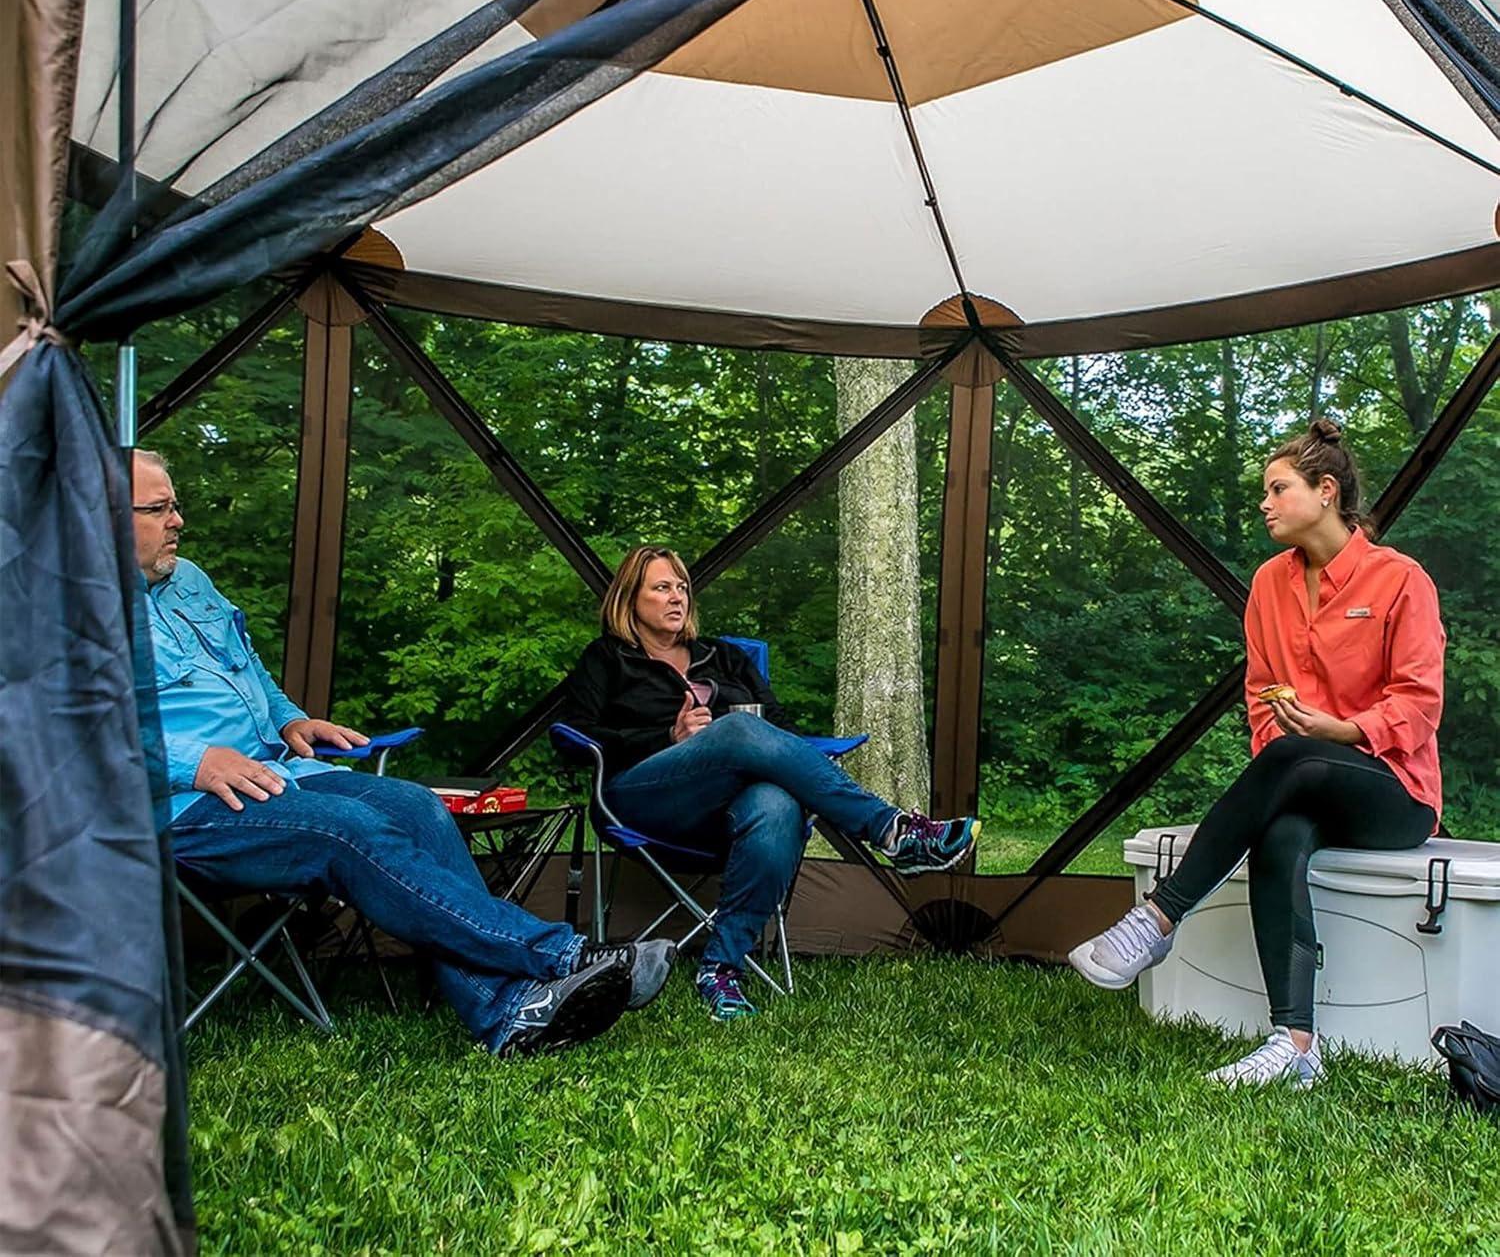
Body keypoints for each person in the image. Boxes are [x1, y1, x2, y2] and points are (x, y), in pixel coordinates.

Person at [133, 450, 673, 1056]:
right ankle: (560, 954)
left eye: (174, 504)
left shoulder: (189, 579)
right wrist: (195, 761)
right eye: (158, 509)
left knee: (419, 807)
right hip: (174, 807)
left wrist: (289, 720)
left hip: (274, 772)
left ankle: (509, 1012)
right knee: (348, 829)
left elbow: (249, 668)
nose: (178, 520)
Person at [1068, 419, 1443, 1086]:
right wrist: (1295, 748)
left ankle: (1159, 915)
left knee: (1295, 755)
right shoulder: (1269, 584)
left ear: (1325, 491)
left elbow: (1418, 706)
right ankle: (1296, 1045)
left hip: (1394, 792)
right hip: (1301, 780)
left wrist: (1336, 731)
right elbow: (1262, 702)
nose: (1264, 504)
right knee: (1281, 833)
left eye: (1278, 489)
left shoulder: (1400, 580)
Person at [562, 544, 981, 1021]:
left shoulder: (725, 658)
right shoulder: (608, 659)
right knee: (737, 727)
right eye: (662, 587)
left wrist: (749, 744)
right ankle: (891, 830)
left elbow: (779, 727)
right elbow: (572, 736)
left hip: (724, 811)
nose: (678, 597)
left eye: (682, 587)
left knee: (776, 803)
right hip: (642, 800)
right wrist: (668, 735)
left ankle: (721, 970)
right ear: (629, 599)